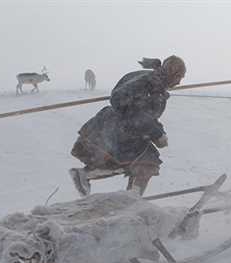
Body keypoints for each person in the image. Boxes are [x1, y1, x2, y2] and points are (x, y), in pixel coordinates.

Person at [69, 55, 186, 196]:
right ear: (171, 73)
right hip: (117, 131)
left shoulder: (152, 83)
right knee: (146, 162)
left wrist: (158, 131)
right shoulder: (149, 83)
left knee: (137, 162)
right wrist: (157, 134)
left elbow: (147, 116)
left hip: (120, 130)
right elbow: (126, 104)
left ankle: (87, 176)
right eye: (179, 76)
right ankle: (132, 199)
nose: (179, 82)